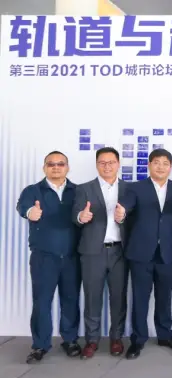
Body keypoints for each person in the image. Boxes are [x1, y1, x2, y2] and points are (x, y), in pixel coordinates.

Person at [115, 148, 172, 359]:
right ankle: (138, 340)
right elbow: (126, 206)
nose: (161, 167)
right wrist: (121, 213)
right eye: (156, 162)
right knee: (140, 298)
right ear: (149, 165)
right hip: (141, 253)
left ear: (171, 167)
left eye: (165, 163)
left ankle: (165, 335)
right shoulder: (135, 188)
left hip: (168, 253)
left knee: (165, 297)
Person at [16, 151, 81, 363]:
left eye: (60, 164)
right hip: (44, 257)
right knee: (42, 302)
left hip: (72, 256)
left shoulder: (78, 191)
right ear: (44, 168)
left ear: (67, 168)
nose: (56, 167)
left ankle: (70, 340)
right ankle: (40, 345)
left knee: (70, 300)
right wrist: (30, 213)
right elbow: (22, 207)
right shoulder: (32, 191)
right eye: (51, 164)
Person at [72, 147, 128, 359]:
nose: (107, 166)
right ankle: (92, 340)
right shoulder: (84, 189)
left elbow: (137, 219)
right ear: (97, 165)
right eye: (102, 162)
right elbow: (74, 215)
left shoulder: (129, 189)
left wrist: (124, 217)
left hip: (120, 252)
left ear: (118, 164)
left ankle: (116, 338)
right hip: (92, 252)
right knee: (92, 297)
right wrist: (81, 216)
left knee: (119, 297)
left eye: (111, 162)